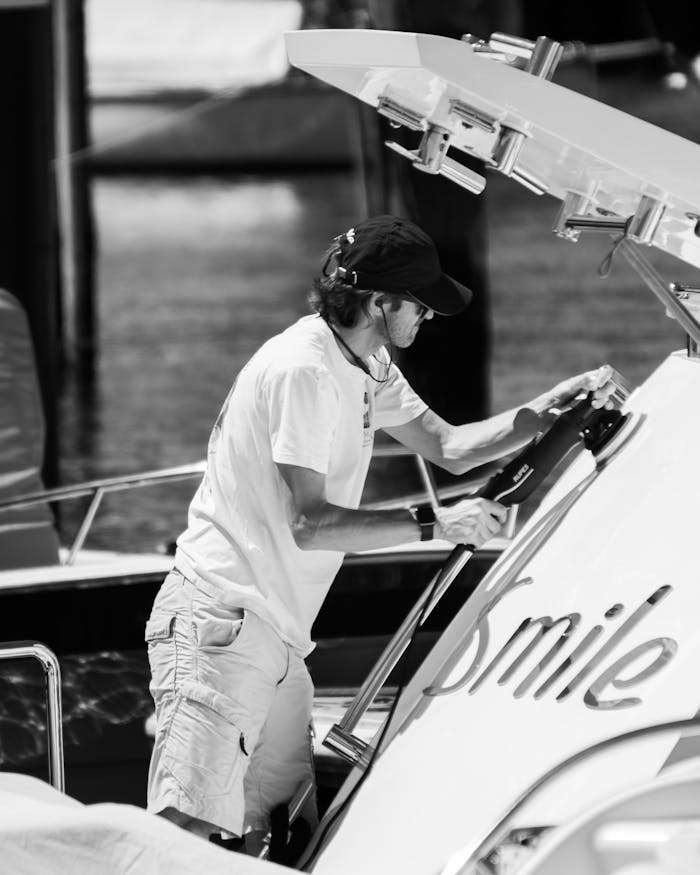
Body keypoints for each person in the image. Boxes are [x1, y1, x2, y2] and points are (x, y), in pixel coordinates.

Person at [144, 214, 615, 855]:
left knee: (279, 832)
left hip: (275, 637)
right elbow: (310, 525)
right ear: (376, 302)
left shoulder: (365, 361)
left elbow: (449, 447)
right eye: (419, 305)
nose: (428, 318)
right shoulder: (304, 372)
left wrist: (546, 411)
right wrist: (433, 522)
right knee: (184, 836)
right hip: (222, 621)